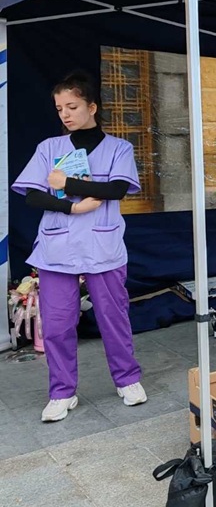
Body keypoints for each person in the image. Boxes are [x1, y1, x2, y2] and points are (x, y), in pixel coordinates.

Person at [12, 71, 146, 423]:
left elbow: (117, 189)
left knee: (113, 317)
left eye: (72, 106)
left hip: (103, 244)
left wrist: (66, 182)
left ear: (92, 107)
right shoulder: (49, 148)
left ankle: (127, 379)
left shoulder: (119, 148)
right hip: (57, 247)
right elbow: (33, 195)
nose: (66, 114)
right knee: (57, 324)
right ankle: (62, 392)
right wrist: (73, 207)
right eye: (60, 109)